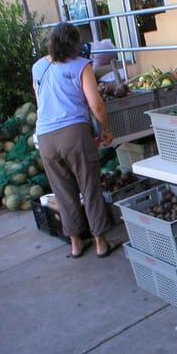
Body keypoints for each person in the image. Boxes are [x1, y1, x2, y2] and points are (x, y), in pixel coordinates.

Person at [32, 22, 120, 259]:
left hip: (45, 138)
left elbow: (41, 102)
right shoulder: (82, 66)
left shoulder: (38, 67)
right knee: (89, 187)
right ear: (74, 43)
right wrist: (105, 129)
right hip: (74, 134)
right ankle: (101, 242)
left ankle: (76, 244)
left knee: (63, 191)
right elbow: (96, 104)